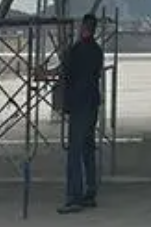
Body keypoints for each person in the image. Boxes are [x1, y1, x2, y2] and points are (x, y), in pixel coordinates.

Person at [58, 13, 104, 215]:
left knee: (74, 153)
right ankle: (90, 192)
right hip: (92, 103)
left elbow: (66, 72)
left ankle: (74, 197)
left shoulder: (76, 50)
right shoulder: (97, 51)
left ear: (83, 28)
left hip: (79, 104)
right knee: (87, 149)